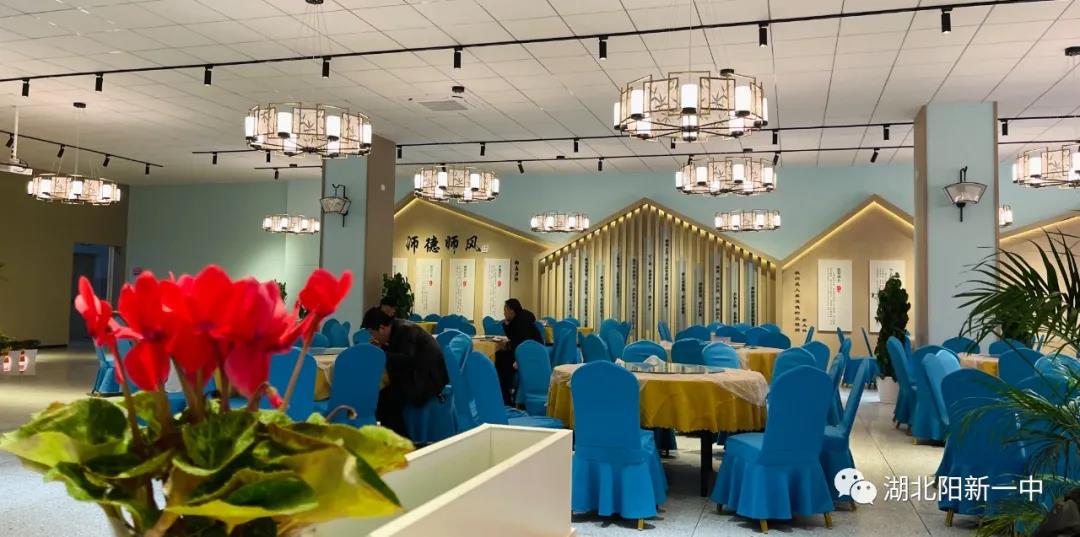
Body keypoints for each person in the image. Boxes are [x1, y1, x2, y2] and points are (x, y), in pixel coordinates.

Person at [369, 310, 449, 438]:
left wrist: (380, 353)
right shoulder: (400, 328)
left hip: (427, 382)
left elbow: (406, 360)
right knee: (384, 395)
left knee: (384, 400)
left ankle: (400, 440)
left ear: (382, 328)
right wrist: (383, 348)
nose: (373, 337)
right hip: (427, 376)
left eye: (372, 333)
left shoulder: (404, 331)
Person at [494, 298, 543, 404]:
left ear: (512, 311)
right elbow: (514, 338)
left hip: (530, 356)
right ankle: (506, 394)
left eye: (505, 310)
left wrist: (517, 360)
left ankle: (506, 397)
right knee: (499, 356)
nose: (504, 313)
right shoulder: (520, 318)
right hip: (529, 352)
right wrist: (507, 324)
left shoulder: (522, 322)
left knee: (500, 362)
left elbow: (522, 343)